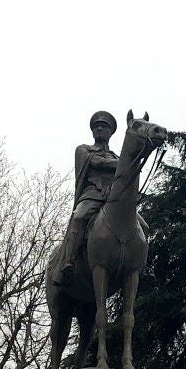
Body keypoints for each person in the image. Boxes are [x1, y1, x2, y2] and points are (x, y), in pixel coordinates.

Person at [57, 111, 118, 285]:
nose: (99, 128)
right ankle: (69, 259)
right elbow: (97, 163)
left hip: (114, 199)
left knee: (143, 226)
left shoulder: (117, 156)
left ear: (110, 132)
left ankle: (142, 266)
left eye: (104, 126)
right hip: (92, 195)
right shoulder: (84, 150)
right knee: (79, 216)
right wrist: (126, 163)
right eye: (96, 126)